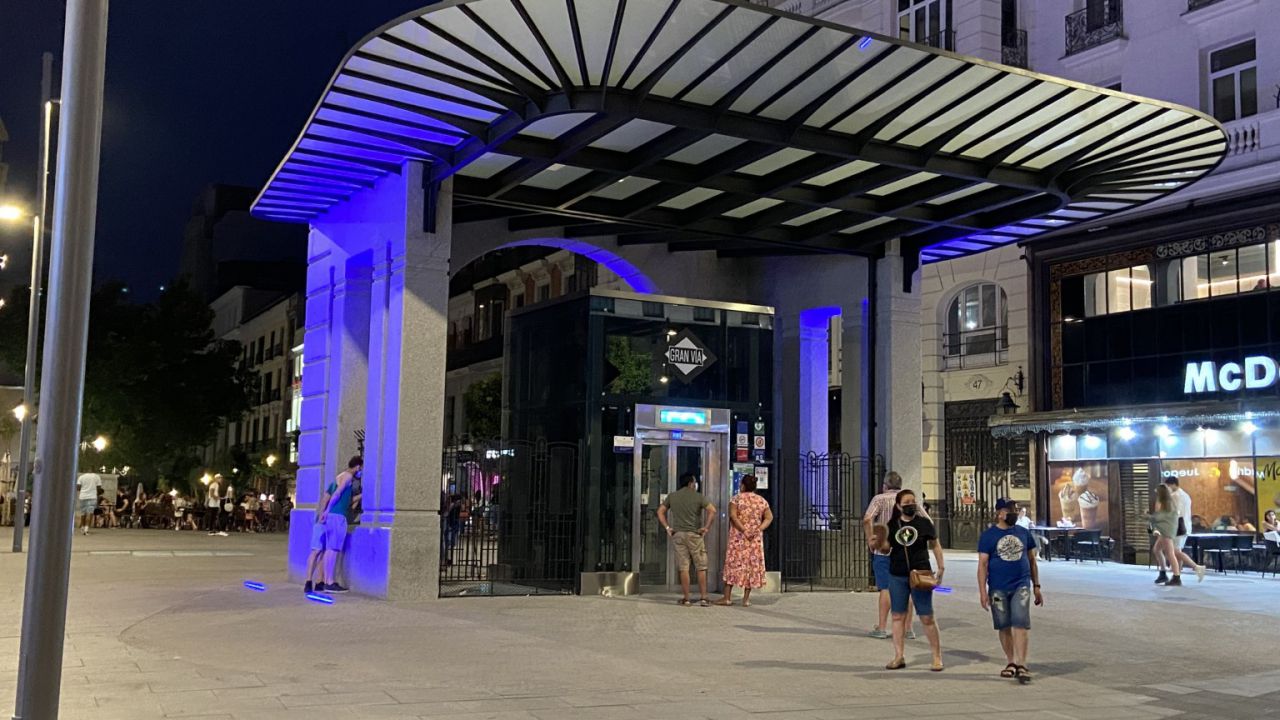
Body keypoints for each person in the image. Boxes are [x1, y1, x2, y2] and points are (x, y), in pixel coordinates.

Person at [978, 499, 1043, 682]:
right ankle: (1011, 661)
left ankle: (1022, 664)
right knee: (1004, 625)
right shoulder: (988, 536)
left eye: (1015, 509)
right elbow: (982, 565)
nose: (1014, 513)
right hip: (997, 588)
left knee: (1020, 623)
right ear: (999, 513)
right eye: (1009, 510)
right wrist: (982, 591)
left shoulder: (1023, 533)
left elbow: (1032, 561)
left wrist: (1036, 586)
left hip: (1021, 585)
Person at [884, 489, 945, 671]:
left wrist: (941, 567)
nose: (910, 505)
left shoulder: (924, 523)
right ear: (898, 506)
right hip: (897, 574)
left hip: (921, 573)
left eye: (913, 501)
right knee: (897, 615)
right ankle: (898, 656)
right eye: (906, 503)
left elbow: (935, 544)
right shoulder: (892, 525)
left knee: (926, 616)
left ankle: (936, 657)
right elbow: (887, 548)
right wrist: (876, 541)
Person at [863, 471, 924, 640]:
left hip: (884, 551)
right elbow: (927, 521)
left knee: (886, 588)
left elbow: (867, 519)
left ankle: (882, 628)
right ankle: (908, 629)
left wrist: (871, 539)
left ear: (885, 485)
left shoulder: (879, 499)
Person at [657, 472, 716, 607]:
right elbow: (712, 510)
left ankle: (687, 598)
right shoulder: (698, 496)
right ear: (690, 483)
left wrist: (667, 527)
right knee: (701, 566)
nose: (695, 485)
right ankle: (704, 597)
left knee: (684, 567)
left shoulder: (672, 496)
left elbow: (660, 511)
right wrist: (706, 527)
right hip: (695, 535)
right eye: (694, 482)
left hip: (678, 535)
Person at [716, 475, 772, 607]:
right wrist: (758, 529)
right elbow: (769, 517)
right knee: (750, 566)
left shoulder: (736, 499)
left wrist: (743, 529)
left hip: (738, 538)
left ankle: (727, 597)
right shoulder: (761, 501)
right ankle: (746, 599)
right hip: (754, 540)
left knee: (733, 564)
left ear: (742, 485)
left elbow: (733, 516)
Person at [316, 456, 362, 594]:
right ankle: (330, 582)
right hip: (337, 516)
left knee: (330, 549)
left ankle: (327, 581)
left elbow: (343, 498)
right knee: (333, 549)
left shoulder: (341, 475)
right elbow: (337, 493)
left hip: (333, 516)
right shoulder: (348, 476)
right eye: (361, 468)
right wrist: (327, 510)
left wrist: (326, 512)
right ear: (358, 467)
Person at [1158, 477, 1206, 584]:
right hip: (1185, 526)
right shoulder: (1186, 495)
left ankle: (1196, 567)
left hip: (1177, 526)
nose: (1168, 488)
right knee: (1177, 551)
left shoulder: (1175, 496)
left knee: (1174, 551)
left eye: (1168, 486)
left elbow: (1175, 513)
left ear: (1173, 484)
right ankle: (1177, 575)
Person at [1150, 485, 1183, 586]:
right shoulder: (1171, 502)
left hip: (1165, 531)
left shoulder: (1161, 503)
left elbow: (1157, 517)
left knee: (1170, 553)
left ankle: (1176, 577)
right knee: (1157, 549)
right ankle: (1163, 573)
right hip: (1169, 530)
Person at [75, 472, 102, 536]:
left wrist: (84, 489)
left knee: (83, 513)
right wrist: (94, 491)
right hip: (92, 497)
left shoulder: (81, 477)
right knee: (89, 513)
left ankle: (82, 527)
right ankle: (86, 529)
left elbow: (78, 487)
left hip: (83, 496)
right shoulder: (97, 476)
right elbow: (99, 488)